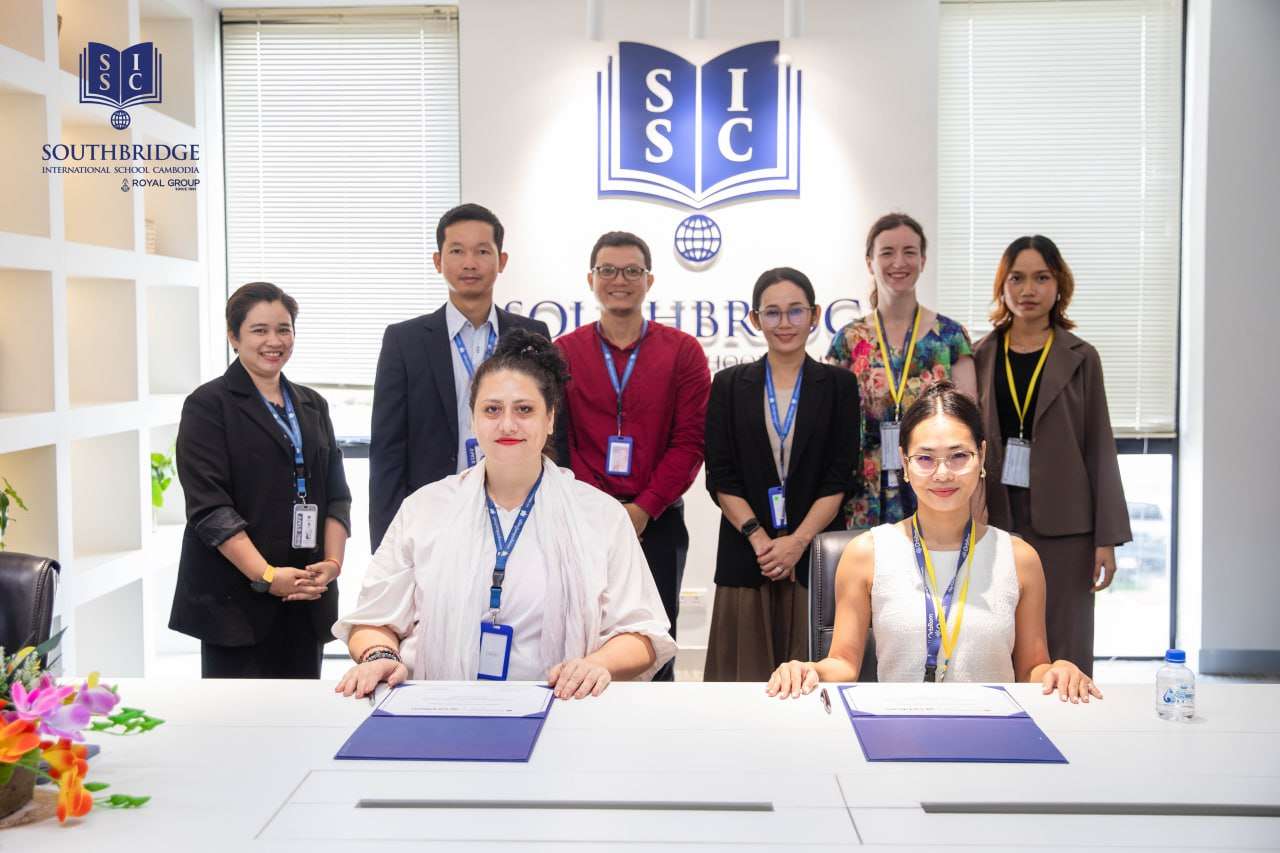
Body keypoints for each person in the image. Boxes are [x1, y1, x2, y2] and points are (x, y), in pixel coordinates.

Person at [334, 329, 675, 700]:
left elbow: (642, 633)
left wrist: (597, 664)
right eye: (492, 410)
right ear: (474, 420)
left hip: (561, 708)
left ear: (550, 419)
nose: (508, 424)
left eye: (524, 410)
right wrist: (379, 655)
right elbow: (374, 619)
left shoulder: (600, 515)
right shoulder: (425, 508)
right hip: (438, 709)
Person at [767, 382, 1101, 702]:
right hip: (897, 733)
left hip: (994, 736)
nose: (943, 474)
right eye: (925, 459)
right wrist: (808, 669)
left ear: (982, 456)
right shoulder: (866, 554)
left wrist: (1059, 670)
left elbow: (1031, 668)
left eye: (959, 456)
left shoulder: (1019, 558)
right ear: (905, 463)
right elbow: (843, 662)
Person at [170, 282, 350, 678]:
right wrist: (267, 577)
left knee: (300, 721)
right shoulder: (208, 405)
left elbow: (337, 494)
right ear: (234, 337)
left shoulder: (311, 404)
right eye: (259, 330)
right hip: (236, 602)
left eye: (284, 329)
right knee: (236, 726)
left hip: (306, 592)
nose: (274, 341)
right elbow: (211, 509)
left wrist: (332, 564)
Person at [554, 231, 711, 681]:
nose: (618, 280)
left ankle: (656, 740)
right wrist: (605, 510)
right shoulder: (564, 352)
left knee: (654, 642)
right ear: (590, 279)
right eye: (607, 270)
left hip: (658, 523)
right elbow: (562, 444)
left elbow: (689, 444)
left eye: (631, 271)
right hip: (581, 521)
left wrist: (641, 510)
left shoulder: (683, 352)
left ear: (649, 280)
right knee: (581, 637)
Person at [972, 235, 1131, 676]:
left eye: (1041, 278)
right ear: (1002, 286)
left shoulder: (1081, 357)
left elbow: (1100, 445)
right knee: (999, 639)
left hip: (1068, 528)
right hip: (998, 522)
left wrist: (1106, 539)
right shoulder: (981, 354)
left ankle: (1072, 732)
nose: (1028, 290)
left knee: (1065, 644)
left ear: (1059, 284)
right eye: (1017, 278)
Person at [703, 268, 860, 681]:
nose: (785, 323)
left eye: (795, 311)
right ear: (755, 320)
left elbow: (839, 477)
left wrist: (797, 543)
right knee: (743, 686)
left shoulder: (840, 385)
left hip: (815, 557)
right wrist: (761, 541)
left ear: (815, 315)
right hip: (746, 556)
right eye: (772, 313)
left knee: (811, 686)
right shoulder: (728, 385)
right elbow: (721, 477)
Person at [369, 203, 551, 552]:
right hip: (433, 513)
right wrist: (385, 545)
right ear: (438, 261)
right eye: (457, 251)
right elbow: (388, 450)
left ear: (502, 261)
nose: (470, 263)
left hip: (519, 508)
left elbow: (552, 432)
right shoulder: (404, 341)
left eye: (483, 251)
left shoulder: (532, 334)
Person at [827, 212, 977, 530]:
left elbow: (971, 426)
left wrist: (978, 501)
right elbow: (830, 428)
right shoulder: (848, 340)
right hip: (861, 495)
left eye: (909, 252)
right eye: (887, 252)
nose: (899, 262)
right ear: (870, 262)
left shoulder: (950, 337)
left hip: (937, 488)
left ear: (923, 260)